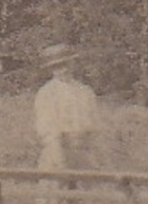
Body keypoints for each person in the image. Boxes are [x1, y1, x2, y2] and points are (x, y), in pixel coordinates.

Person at [33, 43, 99, 171]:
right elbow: (47, 129)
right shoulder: (47, 92)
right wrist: (60, 158)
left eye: (66, 64)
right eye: (57, 66)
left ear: (73, 63)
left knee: (90, 189)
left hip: (83, 152)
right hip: (56, 152)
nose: (63, 69)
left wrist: (92, 155)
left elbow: (94, 126)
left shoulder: (85, 91)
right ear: (50, 69)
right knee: (56, 188)